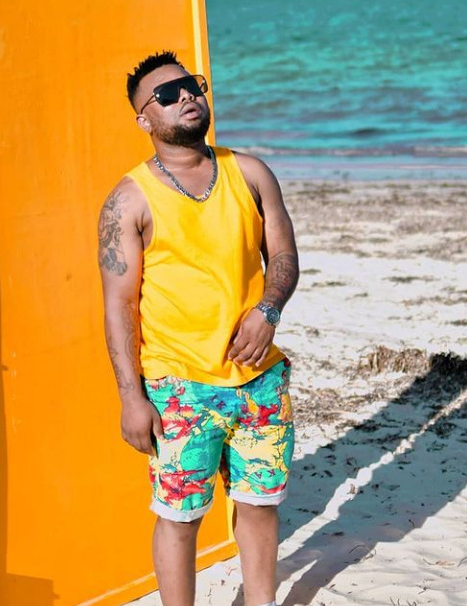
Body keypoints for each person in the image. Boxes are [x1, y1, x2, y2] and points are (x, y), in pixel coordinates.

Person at [97, 51, 299, 606]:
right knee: (180, 517)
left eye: (190, 86)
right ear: (144, 118)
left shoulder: (250, 172)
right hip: (178, 387)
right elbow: (119, 307)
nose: (185, 96)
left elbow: (283, 256)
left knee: (260, 505)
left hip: (258, 377)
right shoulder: (128, 201)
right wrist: (131, 398)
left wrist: (268, 310)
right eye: (166, 94)